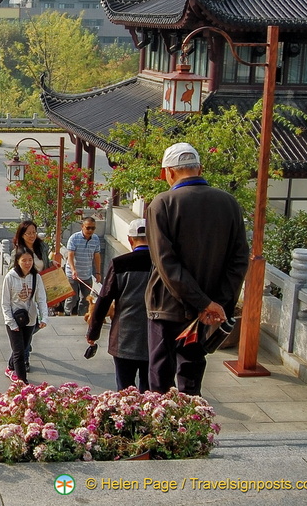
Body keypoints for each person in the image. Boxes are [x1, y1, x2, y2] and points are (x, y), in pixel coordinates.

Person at [147, 143, 249, 396]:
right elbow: (239, 261)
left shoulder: (162, 203)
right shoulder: (229, 203)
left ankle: (163, 431)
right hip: (206, 311)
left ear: (168, 173)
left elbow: (166, 263)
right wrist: (216, 304)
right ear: (200, 169)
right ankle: (193, 427)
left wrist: (203, 302)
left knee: (161, 377)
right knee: (192, 373)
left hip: (167, 307)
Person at [86, 218, 152, 391]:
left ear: (130, 240)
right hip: (155, 336)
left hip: (124, 336)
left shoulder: (119, 264)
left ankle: (127, 417)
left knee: (125, 390)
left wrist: (93, 332)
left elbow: (104, 299)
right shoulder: (163, 264)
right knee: (150, 390)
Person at [1, 247, 48, 384]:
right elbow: (5, 302)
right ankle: (23, 383)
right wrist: (11, 322)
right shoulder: (10, 277)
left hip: (30, 319)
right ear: (17, 261)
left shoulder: (35, 277)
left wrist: (44, 317)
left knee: (23, 347)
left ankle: (10, 367)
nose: (27, 263)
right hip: (14, 318)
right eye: (24, 260)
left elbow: (41, 298)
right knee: (19, 353)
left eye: (30, 260)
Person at [63, 217, 101, 316]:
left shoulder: (96, 239)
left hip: (87, 273)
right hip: (72, 273)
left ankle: (82, 316)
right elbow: (70, 256)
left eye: (93, 228)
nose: (90, 231)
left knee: (86, 298)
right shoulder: (74, 238)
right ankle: (67, 315)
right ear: (82, 226)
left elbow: (97, 256)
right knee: (72, 297)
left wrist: (98, 272)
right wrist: (73, 270)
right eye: (88, 228)